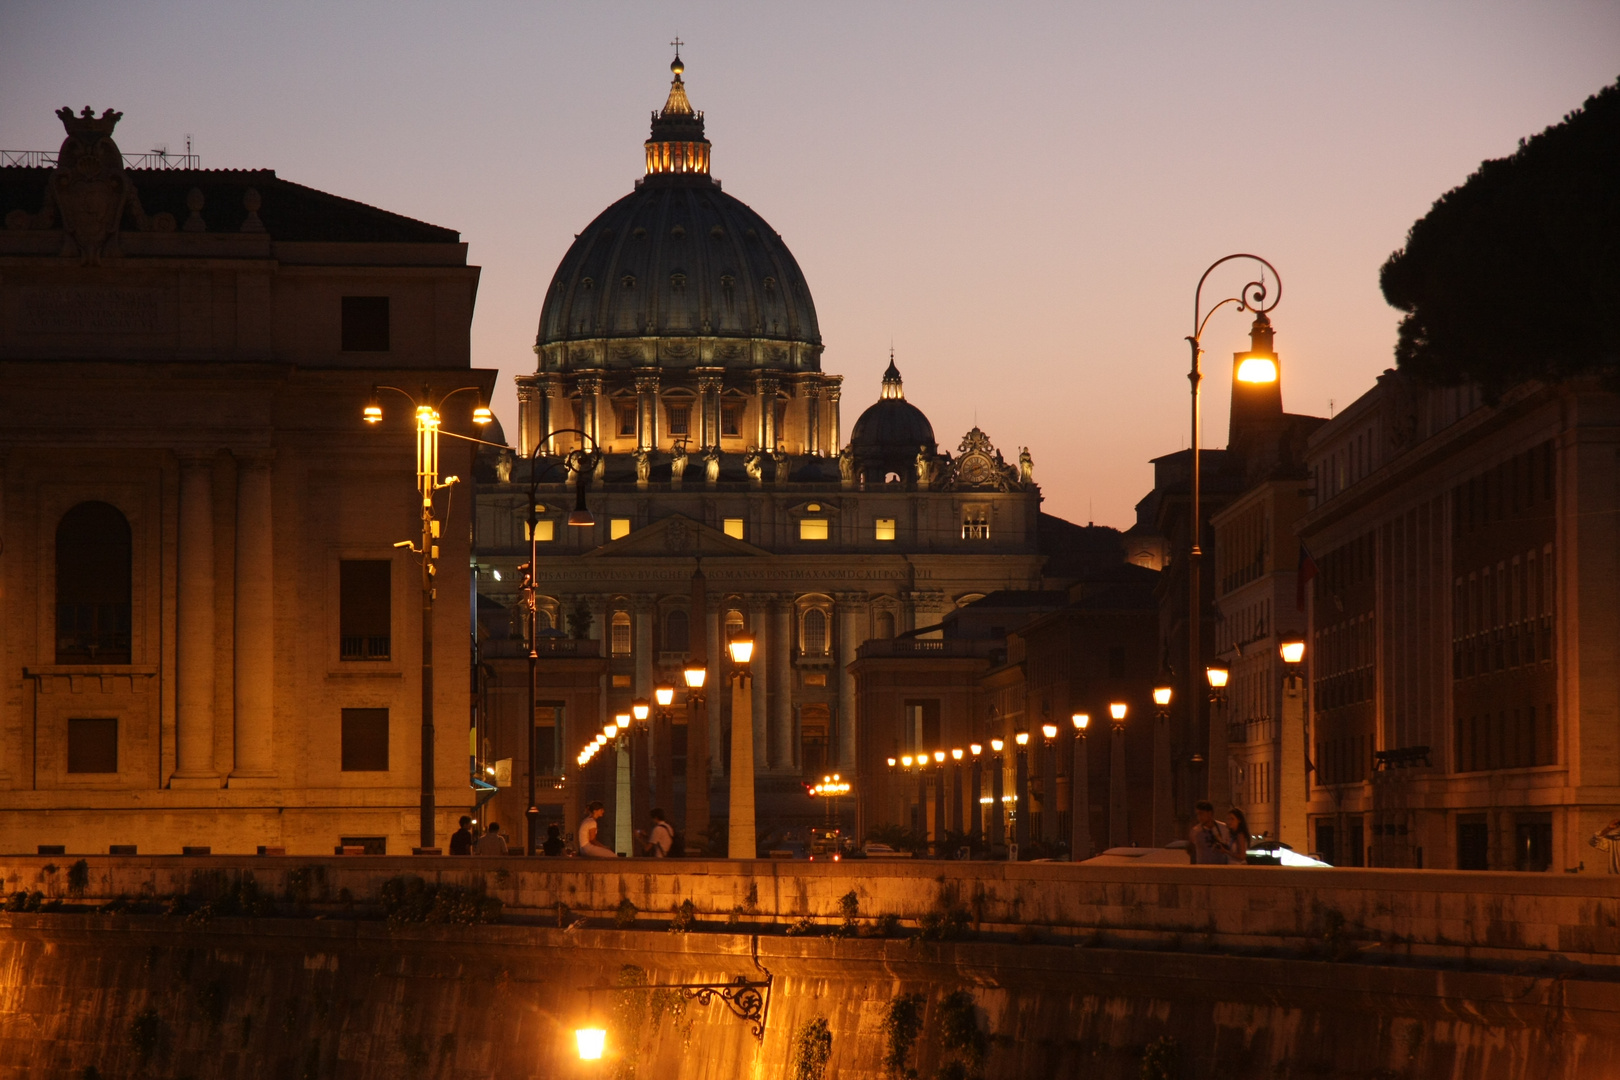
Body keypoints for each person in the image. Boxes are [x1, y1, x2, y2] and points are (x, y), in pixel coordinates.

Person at [1189, 800, 1232, 864]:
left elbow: (1230, 847)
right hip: (1202, 868)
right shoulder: (1195, 831)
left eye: (1201, 813)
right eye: (1197, 814)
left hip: (1220, 868)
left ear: (1210, 813)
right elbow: (1191, 851)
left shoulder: (1223, 828)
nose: (1199, 817)